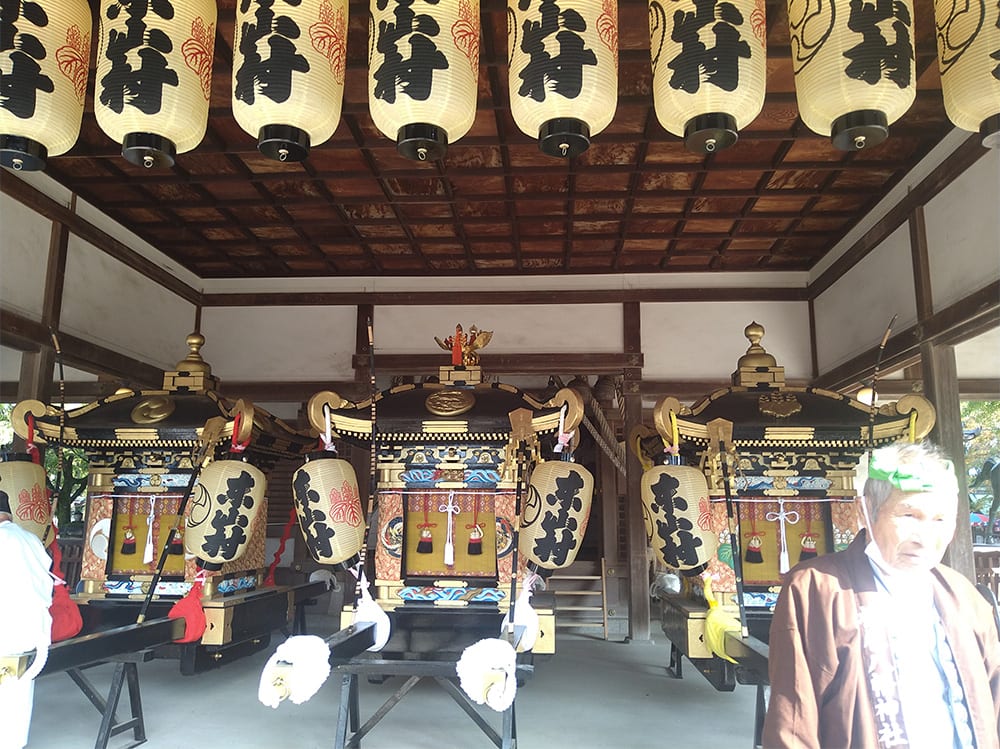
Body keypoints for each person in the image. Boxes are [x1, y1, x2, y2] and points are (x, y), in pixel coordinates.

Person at [762, 441, 1000, 748]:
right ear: (866, 511)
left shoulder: (964, 597)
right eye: (909, 515)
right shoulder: (816, 589)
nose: (925, 538)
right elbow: (793, 723)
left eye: (941, 520)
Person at [0, 491, 54, 749]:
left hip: (7, 626)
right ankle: (14, 742)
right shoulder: (30, 539)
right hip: (34, 628)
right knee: (18, 693)